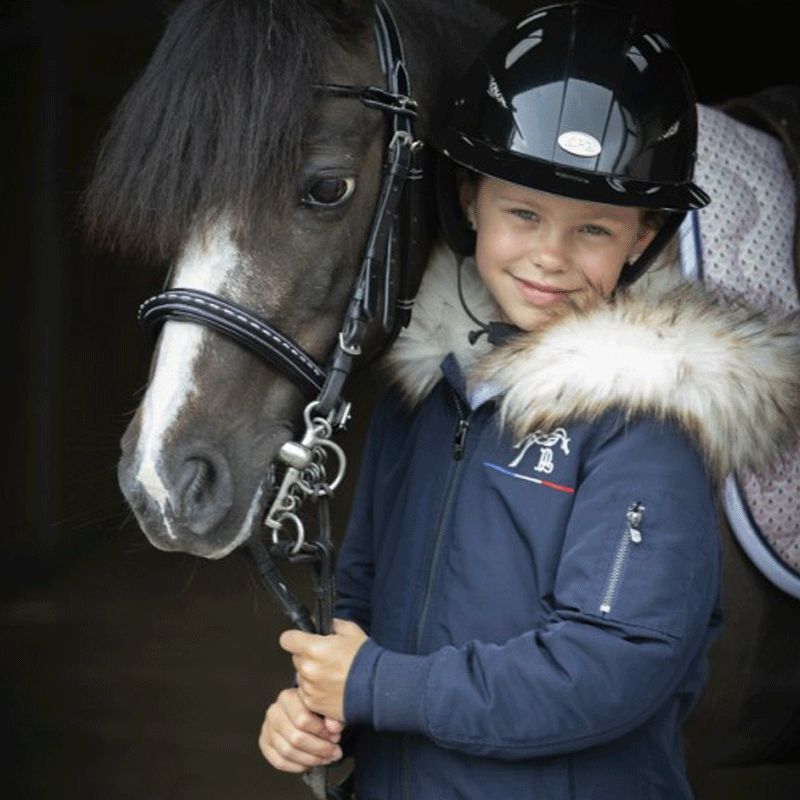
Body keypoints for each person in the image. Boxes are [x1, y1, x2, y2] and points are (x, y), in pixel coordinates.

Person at [259, 3, 799, 797]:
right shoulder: (423, 394)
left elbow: (611, 666)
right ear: (470, 199)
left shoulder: (645, 426)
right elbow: (360, 604)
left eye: (593, 230)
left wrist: (376, 686)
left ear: (643, 240)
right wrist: (313, 710)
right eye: (523, 212)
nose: (550, 256)